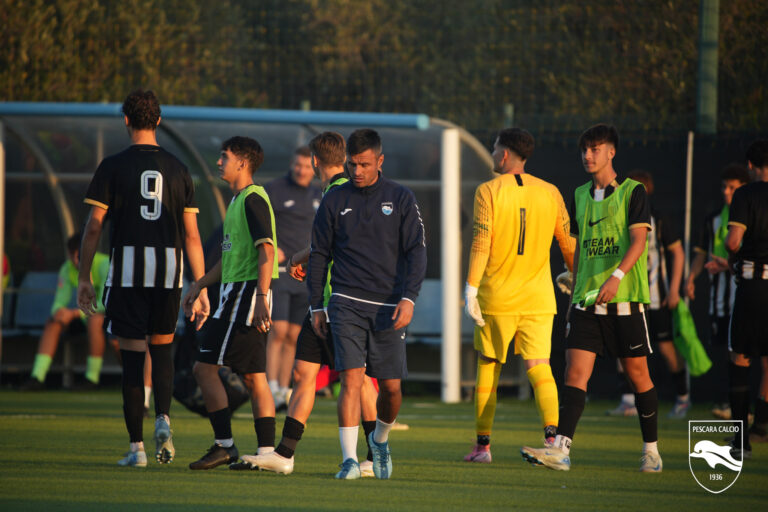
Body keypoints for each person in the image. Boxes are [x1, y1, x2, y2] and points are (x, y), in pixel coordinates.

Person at [233, 131, 380, 477]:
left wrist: (302, 255)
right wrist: (305, 256)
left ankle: (374, 457)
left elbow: (341, 243)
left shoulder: (343, 192)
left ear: (315, 160)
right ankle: (285, 454)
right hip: (323, 303)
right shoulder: (334, 191)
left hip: (341, 302)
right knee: (304, 373)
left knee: (356, 382)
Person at [77, 89, 209, 468]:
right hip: (169, 273)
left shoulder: (112, 166)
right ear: (159, 121)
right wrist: (198, 287)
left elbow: (92, 229)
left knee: (133, 362)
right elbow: (193, 236)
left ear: (126, 120)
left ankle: (136, 449)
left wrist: (84, 277)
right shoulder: (179, 168)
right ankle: (164, 418)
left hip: (128, 273)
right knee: (162, 351)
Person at [521, 124, 662, 472]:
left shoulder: (633, 192)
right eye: (584, 149)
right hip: (586, 302)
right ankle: (561, 451)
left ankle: (652, 451)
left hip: (625, 298)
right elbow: (581, 246)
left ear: (611, 152)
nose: (588, 155)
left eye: (595, 149)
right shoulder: (580, 194)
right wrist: (575, 279)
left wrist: (615, 277)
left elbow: (638, 243)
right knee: (574, 373)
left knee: (637, 374)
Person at [307, 128, 426, 479]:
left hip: (389, 307)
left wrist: (409, 298)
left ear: (380, 161)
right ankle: (348, 460)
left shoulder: (401, 198)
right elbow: (318, 255)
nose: (356, 171)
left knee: (391, 389)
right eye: (352, 164)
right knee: (351, 380)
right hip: (345, 302)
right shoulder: (334, 199)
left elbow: (417, 251)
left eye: (364, 164)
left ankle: (380, 440)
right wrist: (317, 304)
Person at [462, 128, 574, 463]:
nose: (493, 153)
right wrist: (574, 274)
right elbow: (568, 243)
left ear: (506, 154)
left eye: (495, 147)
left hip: (497, 297)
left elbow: (482, 242)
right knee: (540, 367)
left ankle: (483, 447)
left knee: (489, 366)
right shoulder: (551, 192)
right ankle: (554, 443)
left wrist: (470, 289)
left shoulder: (489, 190)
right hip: (539, 299)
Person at [183, 136, 278, 470]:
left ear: (243, 162)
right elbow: (228, 261)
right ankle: (267, 454)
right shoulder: (238, 201)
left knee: (204, 368)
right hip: (236, 294)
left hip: (246, 295)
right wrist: (199, 285)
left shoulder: (253, 199)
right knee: (254, 376)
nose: (219, 162)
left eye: (224, 157)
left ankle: (225, 446)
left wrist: (263, 298)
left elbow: (266, 251)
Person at [607, 170, 688, 419]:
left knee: (665, 348)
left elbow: (678, 253)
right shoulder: (618, 217)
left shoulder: (659, 219)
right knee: (624, 350)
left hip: (656, 296)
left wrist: (674, 289)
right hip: (628, 297)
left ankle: (683, 398)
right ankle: (627, 400)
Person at [686, 164, 751, 418]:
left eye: (732, 187)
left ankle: (746, 412)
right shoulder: (713, 219)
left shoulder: (753, 215)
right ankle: (729, 405)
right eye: (724, 187)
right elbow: (701, 255)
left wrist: (730, 264)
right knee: (726, 350)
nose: (726, 192)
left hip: (745, 295)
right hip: (719, 300)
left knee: (745, 352)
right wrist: (691, 279)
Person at [263, 146, 322, 411]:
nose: (302, 170)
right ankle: (270, 387)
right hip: (279, 273)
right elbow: (260, 222)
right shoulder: (275, 189)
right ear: (291, 164)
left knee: (294, 335)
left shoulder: (320, 193)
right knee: (278, 331)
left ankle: (284, 390)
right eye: (298, 165)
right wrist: (271, 247)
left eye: (307, 166)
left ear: (315, 167)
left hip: (305, 276)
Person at [21, 233, 111, 390]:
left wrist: (75, 313)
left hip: (102, 319)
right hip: (80, 315)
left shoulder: (104, 264)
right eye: (73, 257)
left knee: (95, 321)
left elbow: (106, 303)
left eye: (81, 257)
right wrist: (60, 312)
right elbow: (59, 301)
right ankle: (37, 376)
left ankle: (92, 378)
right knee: (53, 321)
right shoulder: (67, 268)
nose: (77, 262)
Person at [724, 139, 768, 459]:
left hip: (753, 285)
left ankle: (741, 442)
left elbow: (734, 240)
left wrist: (732, 252)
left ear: (750, 166)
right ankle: (762, 425)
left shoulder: (745, 194)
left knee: (740, 358)